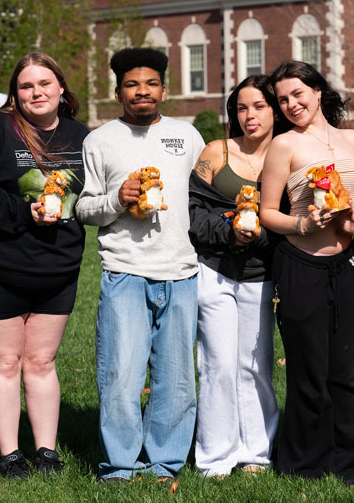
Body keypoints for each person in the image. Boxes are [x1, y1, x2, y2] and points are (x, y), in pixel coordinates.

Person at [0, 52, 88, 478]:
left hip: (58, 268)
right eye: (27, 86)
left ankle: (46, 451)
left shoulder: (82, 137)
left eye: (45, 83)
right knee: (7, 361)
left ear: (61, 88)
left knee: (43, 362)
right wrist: (22, 212)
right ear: (16, 92)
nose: (37, 92)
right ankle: (10, 455)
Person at [75, 47, 205, 483]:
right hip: (125, 272)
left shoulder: (187, 137)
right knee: (120, 376)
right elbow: (84, 209)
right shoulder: (100, 140)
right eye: (132, 85)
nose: (142, 92)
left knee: (177, 379)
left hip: (182, 272)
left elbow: (204, 199)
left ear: (164, 90)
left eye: (150, 84)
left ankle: (164, 462)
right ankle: (120, 466)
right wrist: (118, 200)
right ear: (118, 92)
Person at [259, 60, 354, 487]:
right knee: (308, 368)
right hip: (300, 265)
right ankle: (305, 464)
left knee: (344, 368)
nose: (291, 104)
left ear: (318, 90)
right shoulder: (283, 145)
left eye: (297, 94)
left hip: (344, 266)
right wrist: (302, 224)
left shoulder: (351, 138)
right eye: (283, 99)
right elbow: (268, 212)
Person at [188, 75, 287, 478]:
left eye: (259, 106)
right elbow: (192, 214)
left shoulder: (288, 156)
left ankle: (256, 453)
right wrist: (229, 228)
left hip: (261, 275)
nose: (250, 116)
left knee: (255, 365)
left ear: (274, 111)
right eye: (242, 108)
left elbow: (294, 221)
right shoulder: (215, 153)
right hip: (213, 271)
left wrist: (262, 234)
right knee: (216, 364)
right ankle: (214, 458)